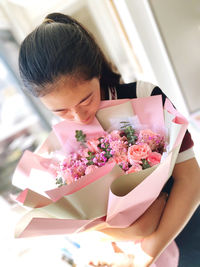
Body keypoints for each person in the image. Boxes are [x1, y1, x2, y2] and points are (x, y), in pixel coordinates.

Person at [18, 12, 200, 267]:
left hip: (187, 236)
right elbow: (81, 223)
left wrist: (146, 251)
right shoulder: (62, 144)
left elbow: (191, 179)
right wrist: (123, 233)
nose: (78, 116)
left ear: (97, 74)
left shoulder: (143, 96)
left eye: (85, 99)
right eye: (60, 110)